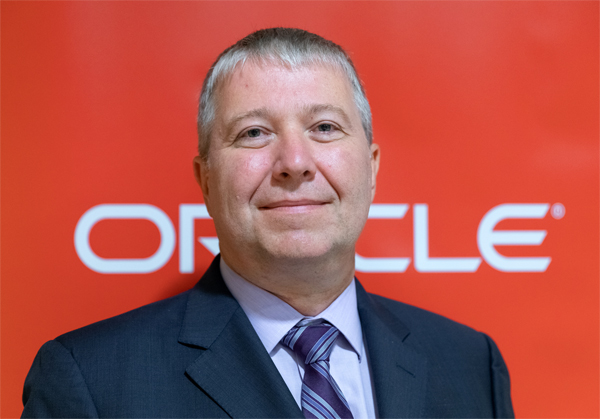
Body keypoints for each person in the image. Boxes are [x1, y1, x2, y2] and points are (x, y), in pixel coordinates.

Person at [22, 28, 514, 418]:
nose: (294, 162)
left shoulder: (471, 364)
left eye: (324, 127)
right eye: (254, 133)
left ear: (371, 169)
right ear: (206, 180)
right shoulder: (91, 382)